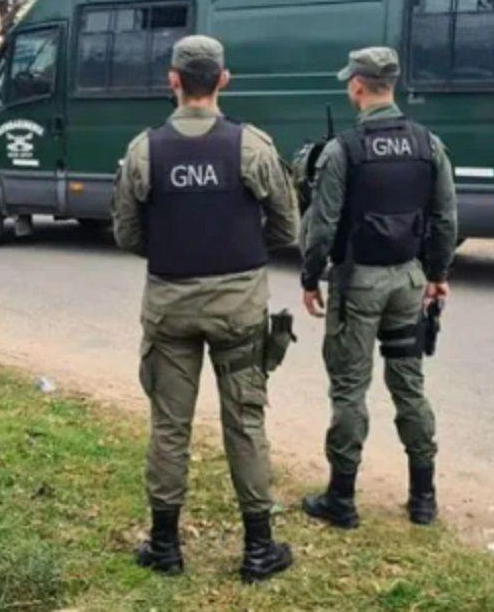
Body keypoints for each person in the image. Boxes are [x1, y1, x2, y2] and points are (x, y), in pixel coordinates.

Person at [111, 35, 298, 582]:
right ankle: (259, 550)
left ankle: (165, 547)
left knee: (170, 426)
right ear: (223, 80)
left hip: (170, 306)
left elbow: (127, 234)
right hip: (238, 308)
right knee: (245, 422)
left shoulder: (144, 150)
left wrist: (174, 250)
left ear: (173, 80)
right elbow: (287, 227)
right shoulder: (252, 147)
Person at [298, 46, 458, 529]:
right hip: (408, 280)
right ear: (394, 85)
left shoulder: (343, 150)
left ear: (357, 86)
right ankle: (423, 497)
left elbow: (321, 226)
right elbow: (445, 218)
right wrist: (437, 275)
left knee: (350, 389)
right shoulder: (428, 143)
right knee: (409, 385)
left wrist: (310, 276)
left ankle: (342, 499)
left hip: (358, 284)